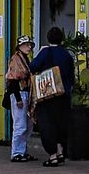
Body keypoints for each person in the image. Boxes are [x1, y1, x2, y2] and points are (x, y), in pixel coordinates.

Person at [28, 26, 74, 166]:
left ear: (48, 38)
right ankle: (60, 151)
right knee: (61, 123)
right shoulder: (67, 55)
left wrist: (40, 53)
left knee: (47, 124)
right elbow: (71, 76)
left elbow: (32, 67)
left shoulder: (45, 53)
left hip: (48, 95)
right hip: (64, 94)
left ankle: (52, 155)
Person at [5, 35, 35, 162]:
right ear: (20, 46)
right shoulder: (15, 60)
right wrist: (18, 98)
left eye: (29, 45)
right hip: (19, 93)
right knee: (20, 125)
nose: (28, 47)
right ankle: (16, 153)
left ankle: (22, 151)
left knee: (28, 125)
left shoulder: (25, 59)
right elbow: (12, 80)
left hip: (26, 93)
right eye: (26, 45)